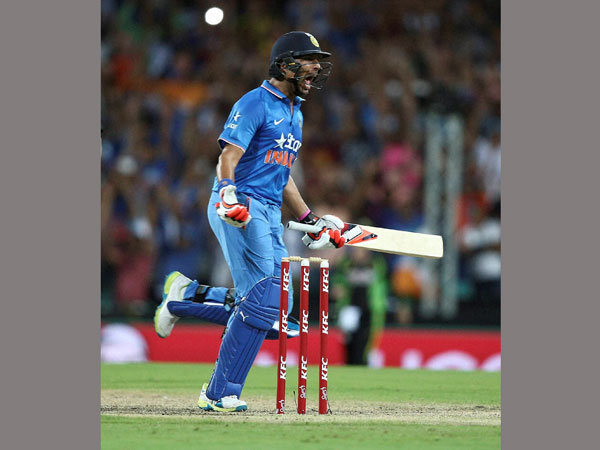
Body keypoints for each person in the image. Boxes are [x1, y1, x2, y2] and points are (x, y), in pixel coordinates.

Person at [153, 31, 346, 412]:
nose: (316, 67)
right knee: (263, 302)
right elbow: (228, 156)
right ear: (285, 65)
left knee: (276, 309)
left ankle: (185, 297)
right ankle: (218, 393)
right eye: (308, 60)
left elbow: (282, 174)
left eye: (318, 61)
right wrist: (227, 193)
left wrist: (309, 218)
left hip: (270, 210)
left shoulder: (296, 113)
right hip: (242, 205)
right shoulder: (255, 102)